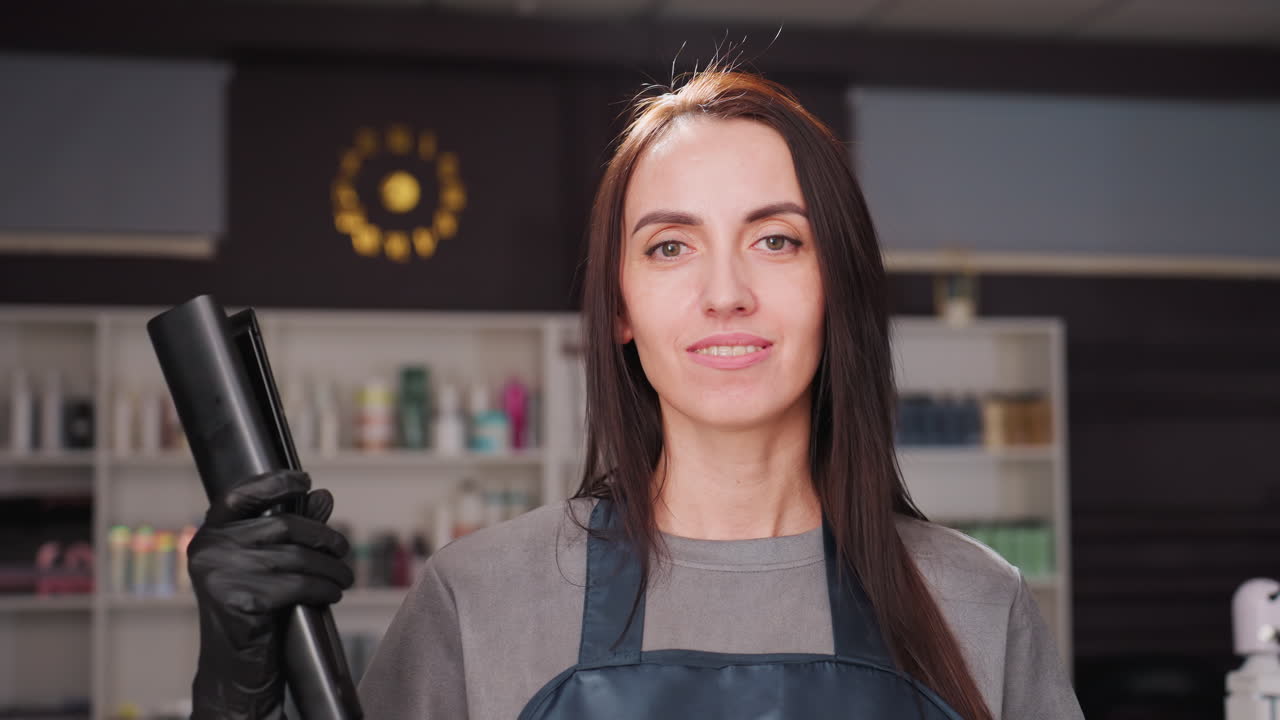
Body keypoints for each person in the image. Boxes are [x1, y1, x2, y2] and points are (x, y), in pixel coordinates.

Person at [186, 67, 1086, 719]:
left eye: (777, 241)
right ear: (619, 306)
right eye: (670, 246)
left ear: (838, 285)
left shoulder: (974, 602)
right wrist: (232, 692)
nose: (725, 291)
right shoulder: (482, 601)